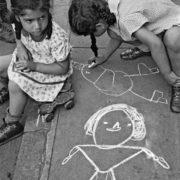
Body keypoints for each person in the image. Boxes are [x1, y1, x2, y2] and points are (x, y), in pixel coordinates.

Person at [68, 0, 180, 113]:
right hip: (154, 23)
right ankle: (145, 47)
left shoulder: (125, 20)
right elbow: (117, 35)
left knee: (173, 40)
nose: (91, 36)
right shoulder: (107, 10)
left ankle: (177, 82)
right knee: (114, 32)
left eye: (90, 33)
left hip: (173, 20)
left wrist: (167, 73)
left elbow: (156, 44)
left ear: (99, 25)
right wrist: (104, 57)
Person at [0, 0, 73, 146]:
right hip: (30, 57)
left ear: (48, 12)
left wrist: (34, 66)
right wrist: (20, 46)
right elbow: (16, 28)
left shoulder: (56, 36)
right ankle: (4, 87)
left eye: (42, 18)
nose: (37, 26)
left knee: (15, 85)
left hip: (47, 69)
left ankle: (12, 122)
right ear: (18, 17)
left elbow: (62, 68)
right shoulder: (18, 21)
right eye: (29, 20)